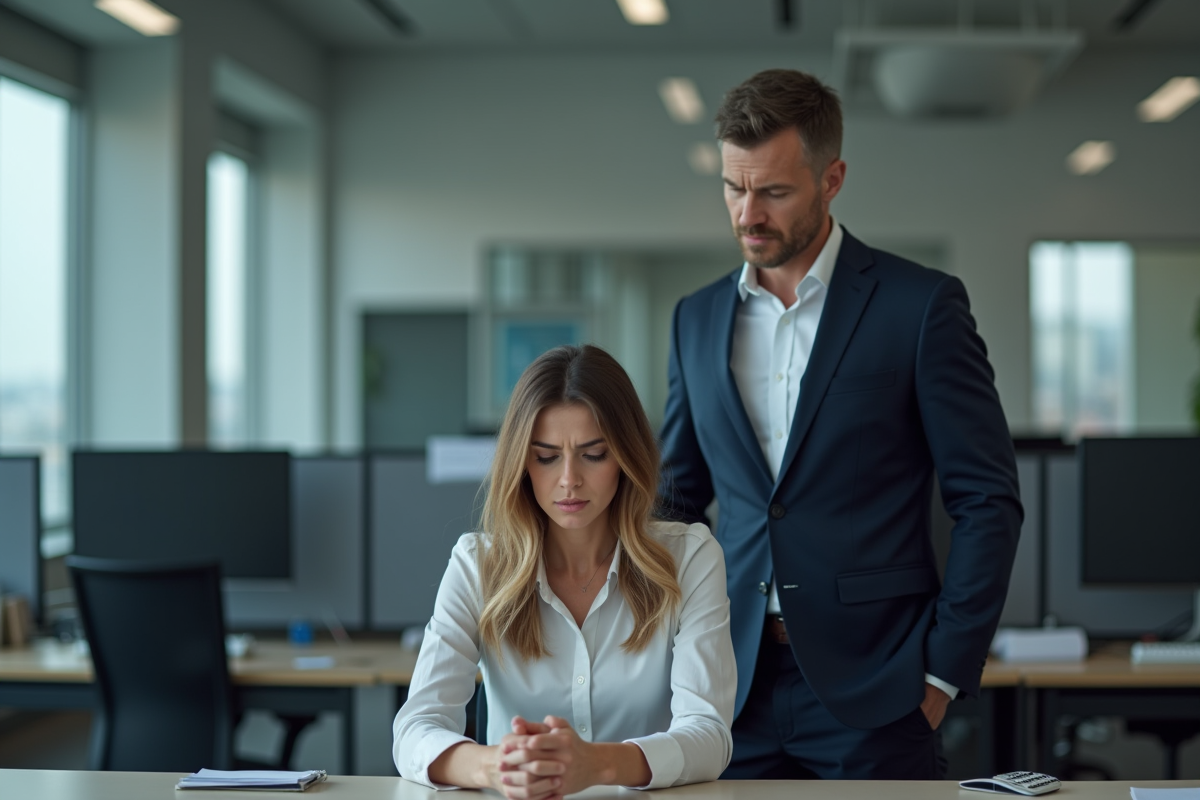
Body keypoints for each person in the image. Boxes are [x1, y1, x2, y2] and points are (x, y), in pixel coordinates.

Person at [657, 68, 1023, 780]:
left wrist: (941, 677)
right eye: (734, 187)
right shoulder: (694, 318)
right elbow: (674, 504)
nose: (746, 214)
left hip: (879, 691)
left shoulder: (919, 307)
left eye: (774, 191)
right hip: (727, 691)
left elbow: (988, 501)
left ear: (832, 179)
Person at [394, 344, 735, 798]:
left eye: (594, 454)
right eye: (546, 456)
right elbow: (416, 728)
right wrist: (495, 767)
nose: (569, 479)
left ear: (626, 457)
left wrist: (598, 764)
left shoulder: (690, 558)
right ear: (521, 463)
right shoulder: (478, 564)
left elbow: (709, 736)